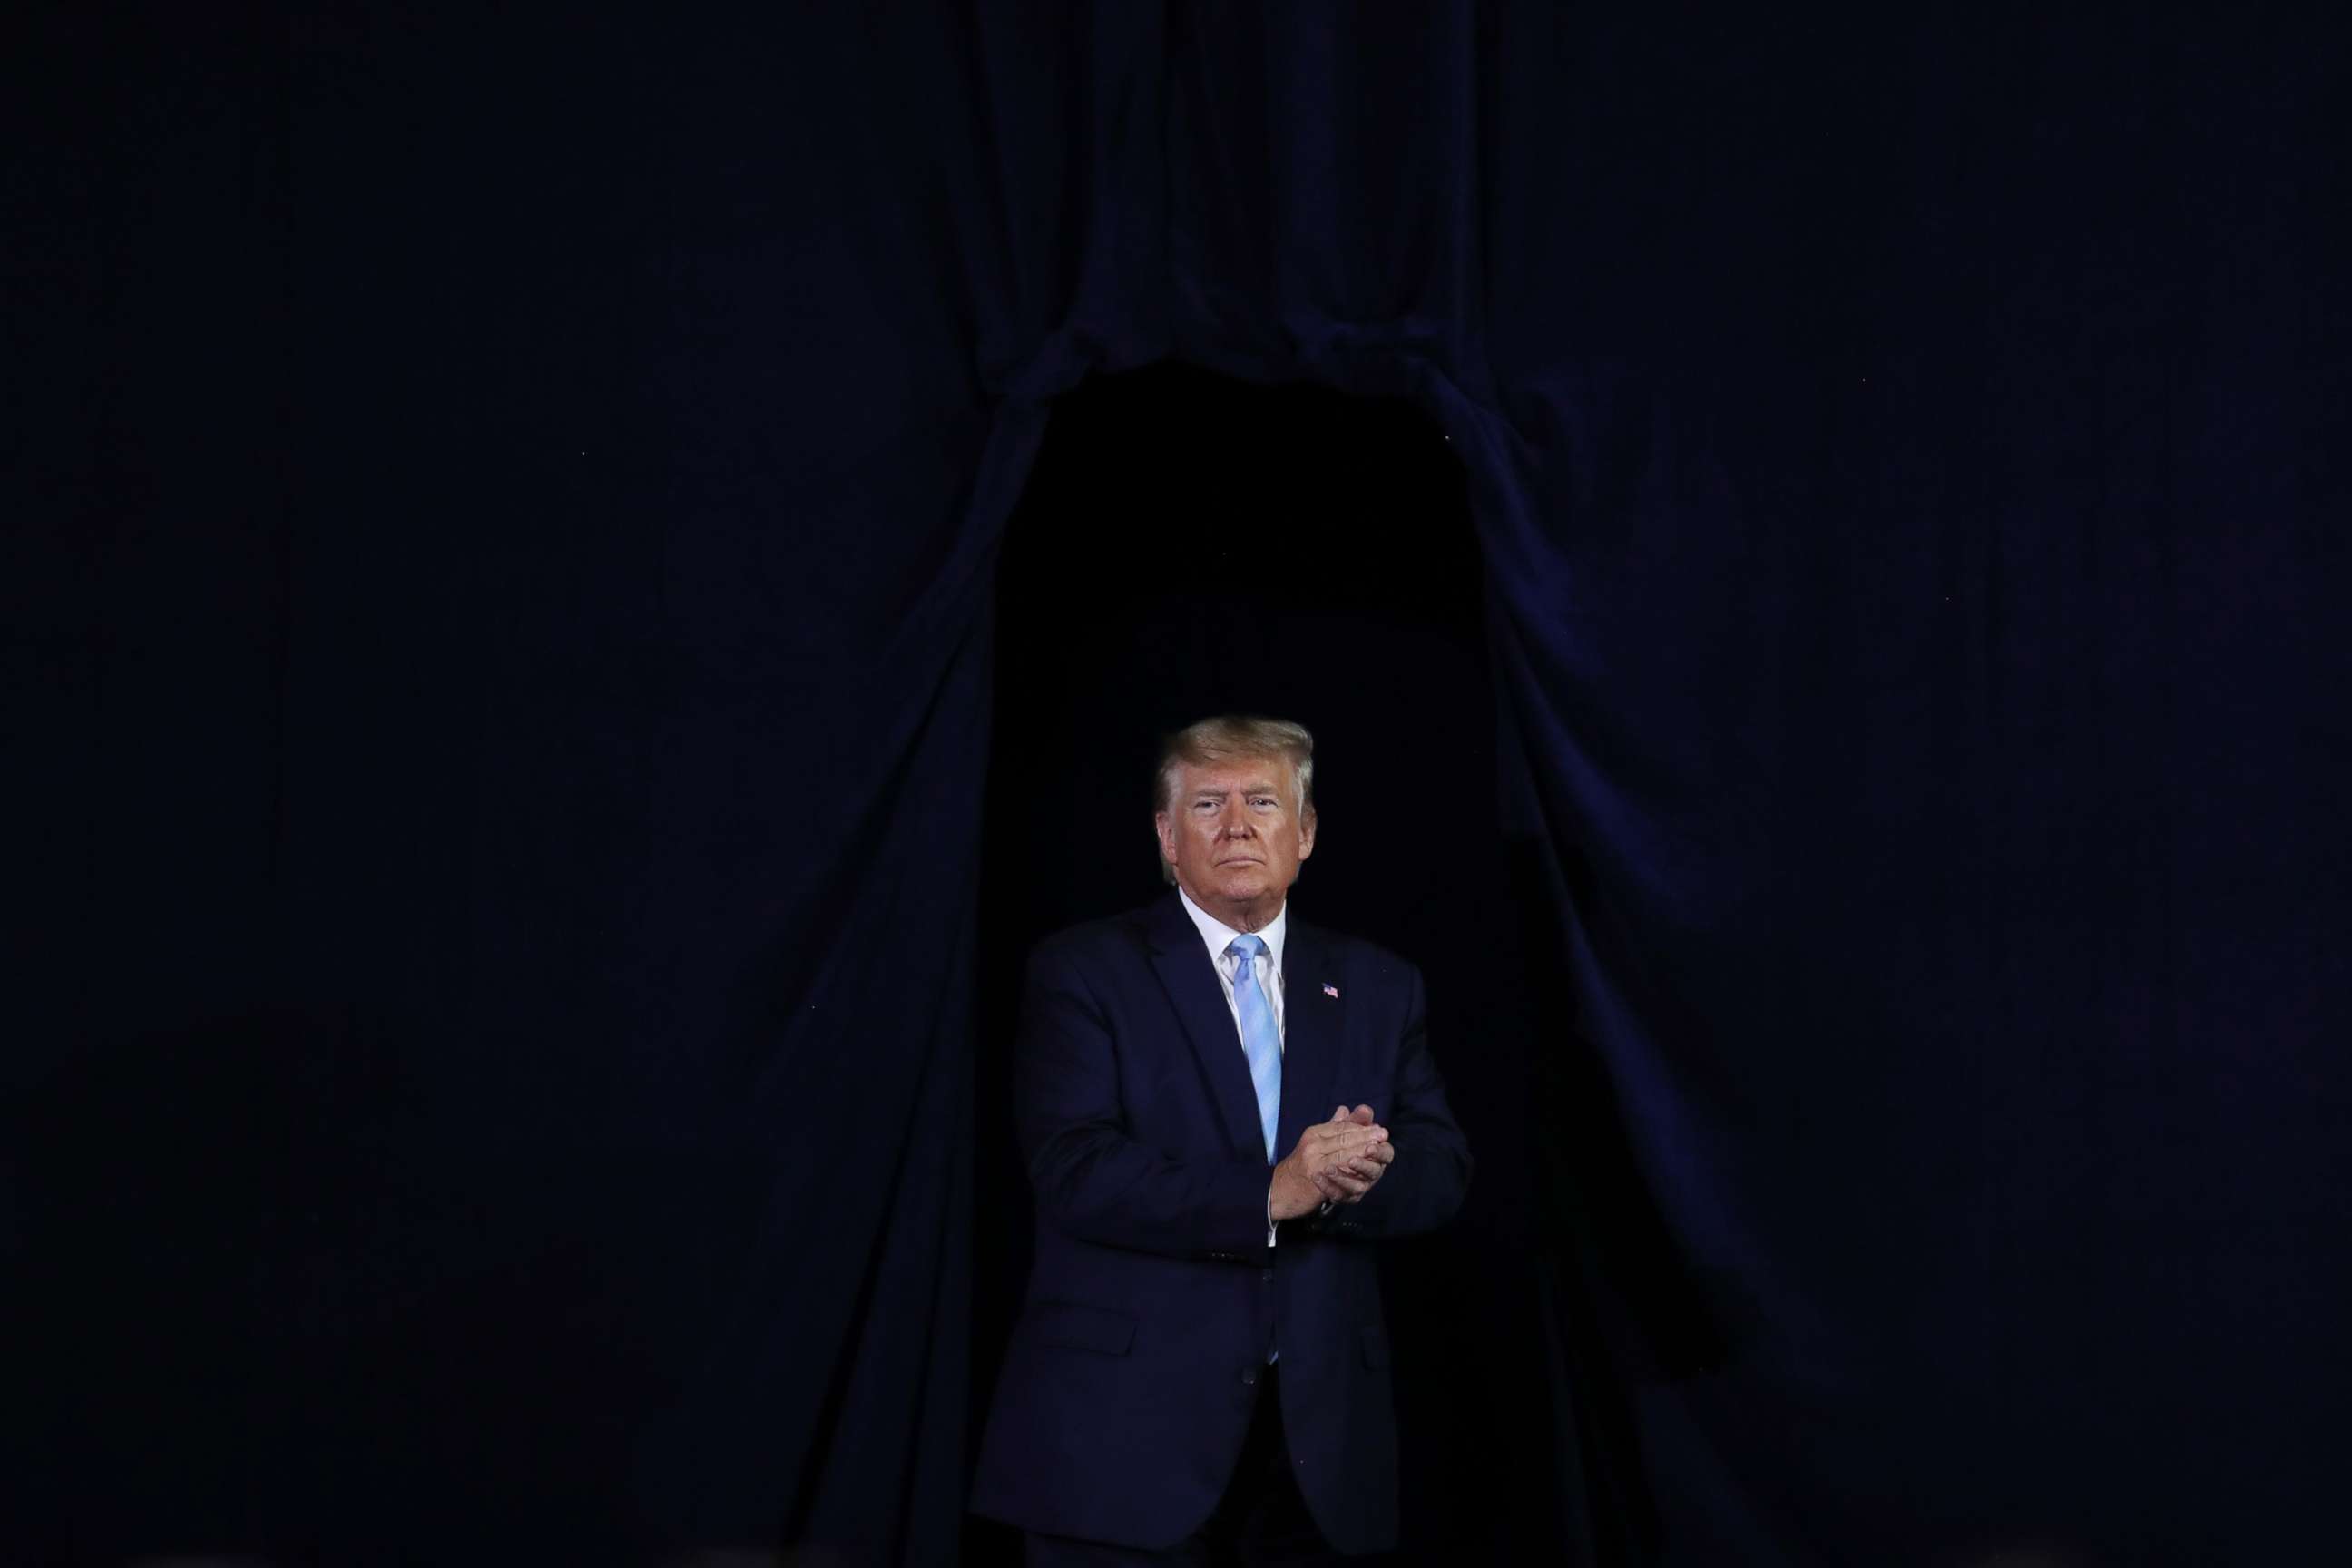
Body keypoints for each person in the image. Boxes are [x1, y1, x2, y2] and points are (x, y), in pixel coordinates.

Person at [972, 715, 1473, 1563]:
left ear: (1305, 832)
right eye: (1208, 803)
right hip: (1124, 1444)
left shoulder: (1382, 985)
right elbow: (1076, 1168)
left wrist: (1364, 1172)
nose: (1237, 824)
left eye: (1264, 802)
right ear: (1168, 837)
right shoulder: (1083, 971)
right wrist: (1275, 1190)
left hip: (1317, 1455)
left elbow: (1442, 1167)